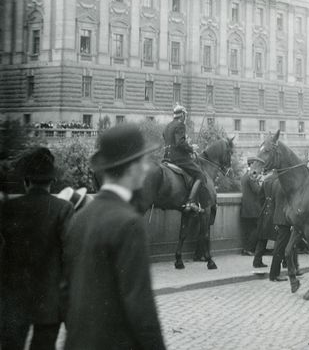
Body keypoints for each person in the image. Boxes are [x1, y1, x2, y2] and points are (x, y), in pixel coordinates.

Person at [64, 123, 166, 350]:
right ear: (131, 168)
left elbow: (66, 292)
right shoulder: (129, 223)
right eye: (143, 161)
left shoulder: (80, 218)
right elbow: (141, 307)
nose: (147, 168)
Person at [0, 147, 74, 350]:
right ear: (52, 181)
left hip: (12, 301)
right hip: (49, 301)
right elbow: (70, 256)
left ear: (26, 181)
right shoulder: (63, 209)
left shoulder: (8, 209)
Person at [163, 104, 206, 203]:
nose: (185, 117)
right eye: (185, 115)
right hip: (178, 159)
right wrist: (191, 148)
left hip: (166, 158)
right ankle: (190, 202)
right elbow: (179, 143)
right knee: (200, 175)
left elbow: (169, 141)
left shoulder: (168, 126)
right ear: (182, 114)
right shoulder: (180, 125)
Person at [240, 157, 265, 258]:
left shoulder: (245, 176)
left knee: (248, 230)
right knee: (256, 229)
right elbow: (257, 191)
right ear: (251, 165)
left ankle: (246, 249)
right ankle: (249, 249)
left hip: (246, 207)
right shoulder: (251, 177)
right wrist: (261, 184)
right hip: (253, 208)